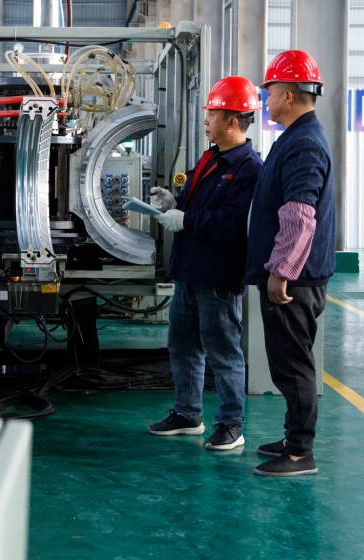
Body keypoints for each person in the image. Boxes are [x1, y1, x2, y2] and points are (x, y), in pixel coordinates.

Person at [132, 76, 262, 452]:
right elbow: (200, 204)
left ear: (232, 121)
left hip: (217, 277)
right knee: (183, 346)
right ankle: (188, 414)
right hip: (189, 271)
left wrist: (186, 220)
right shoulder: (211, 158)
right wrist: (174, 202)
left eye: (212, 114)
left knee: (223, 352)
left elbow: (232, 222)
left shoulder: (249, 168)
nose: (206, 119)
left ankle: (232, 425)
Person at [245, 49, 336, 478]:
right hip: (297, 275)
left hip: (294, 280)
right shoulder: (295, 137)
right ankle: (291, 438)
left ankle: (300, 454)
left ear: (287, 94)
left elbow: (300, 215)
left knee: (294, 365)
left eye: (270, 91)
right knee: (286, 363)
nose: (265, 99)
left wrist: (281, 271)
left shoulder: (304, 142)